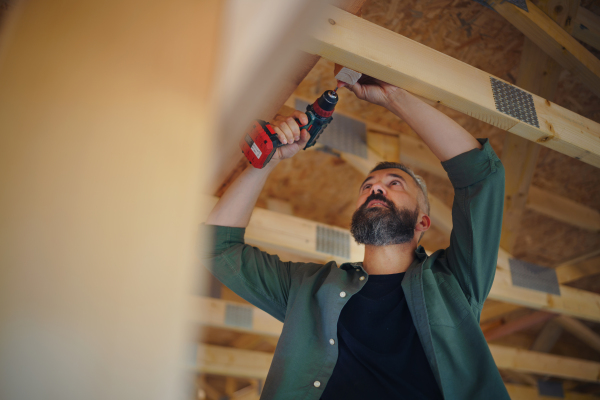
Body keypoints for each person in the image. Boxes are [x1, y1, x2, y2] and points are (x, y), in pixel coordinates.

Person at [203, 78, 509, 399]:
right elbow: (217, 247)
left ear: (423, 221)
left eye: (395, 184)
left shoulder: (455, 284)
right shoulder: (309, 289)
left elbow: (482, 175)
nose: (377, 188)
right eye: (368, 186)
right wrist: (270, 159)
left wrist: (394, 95)